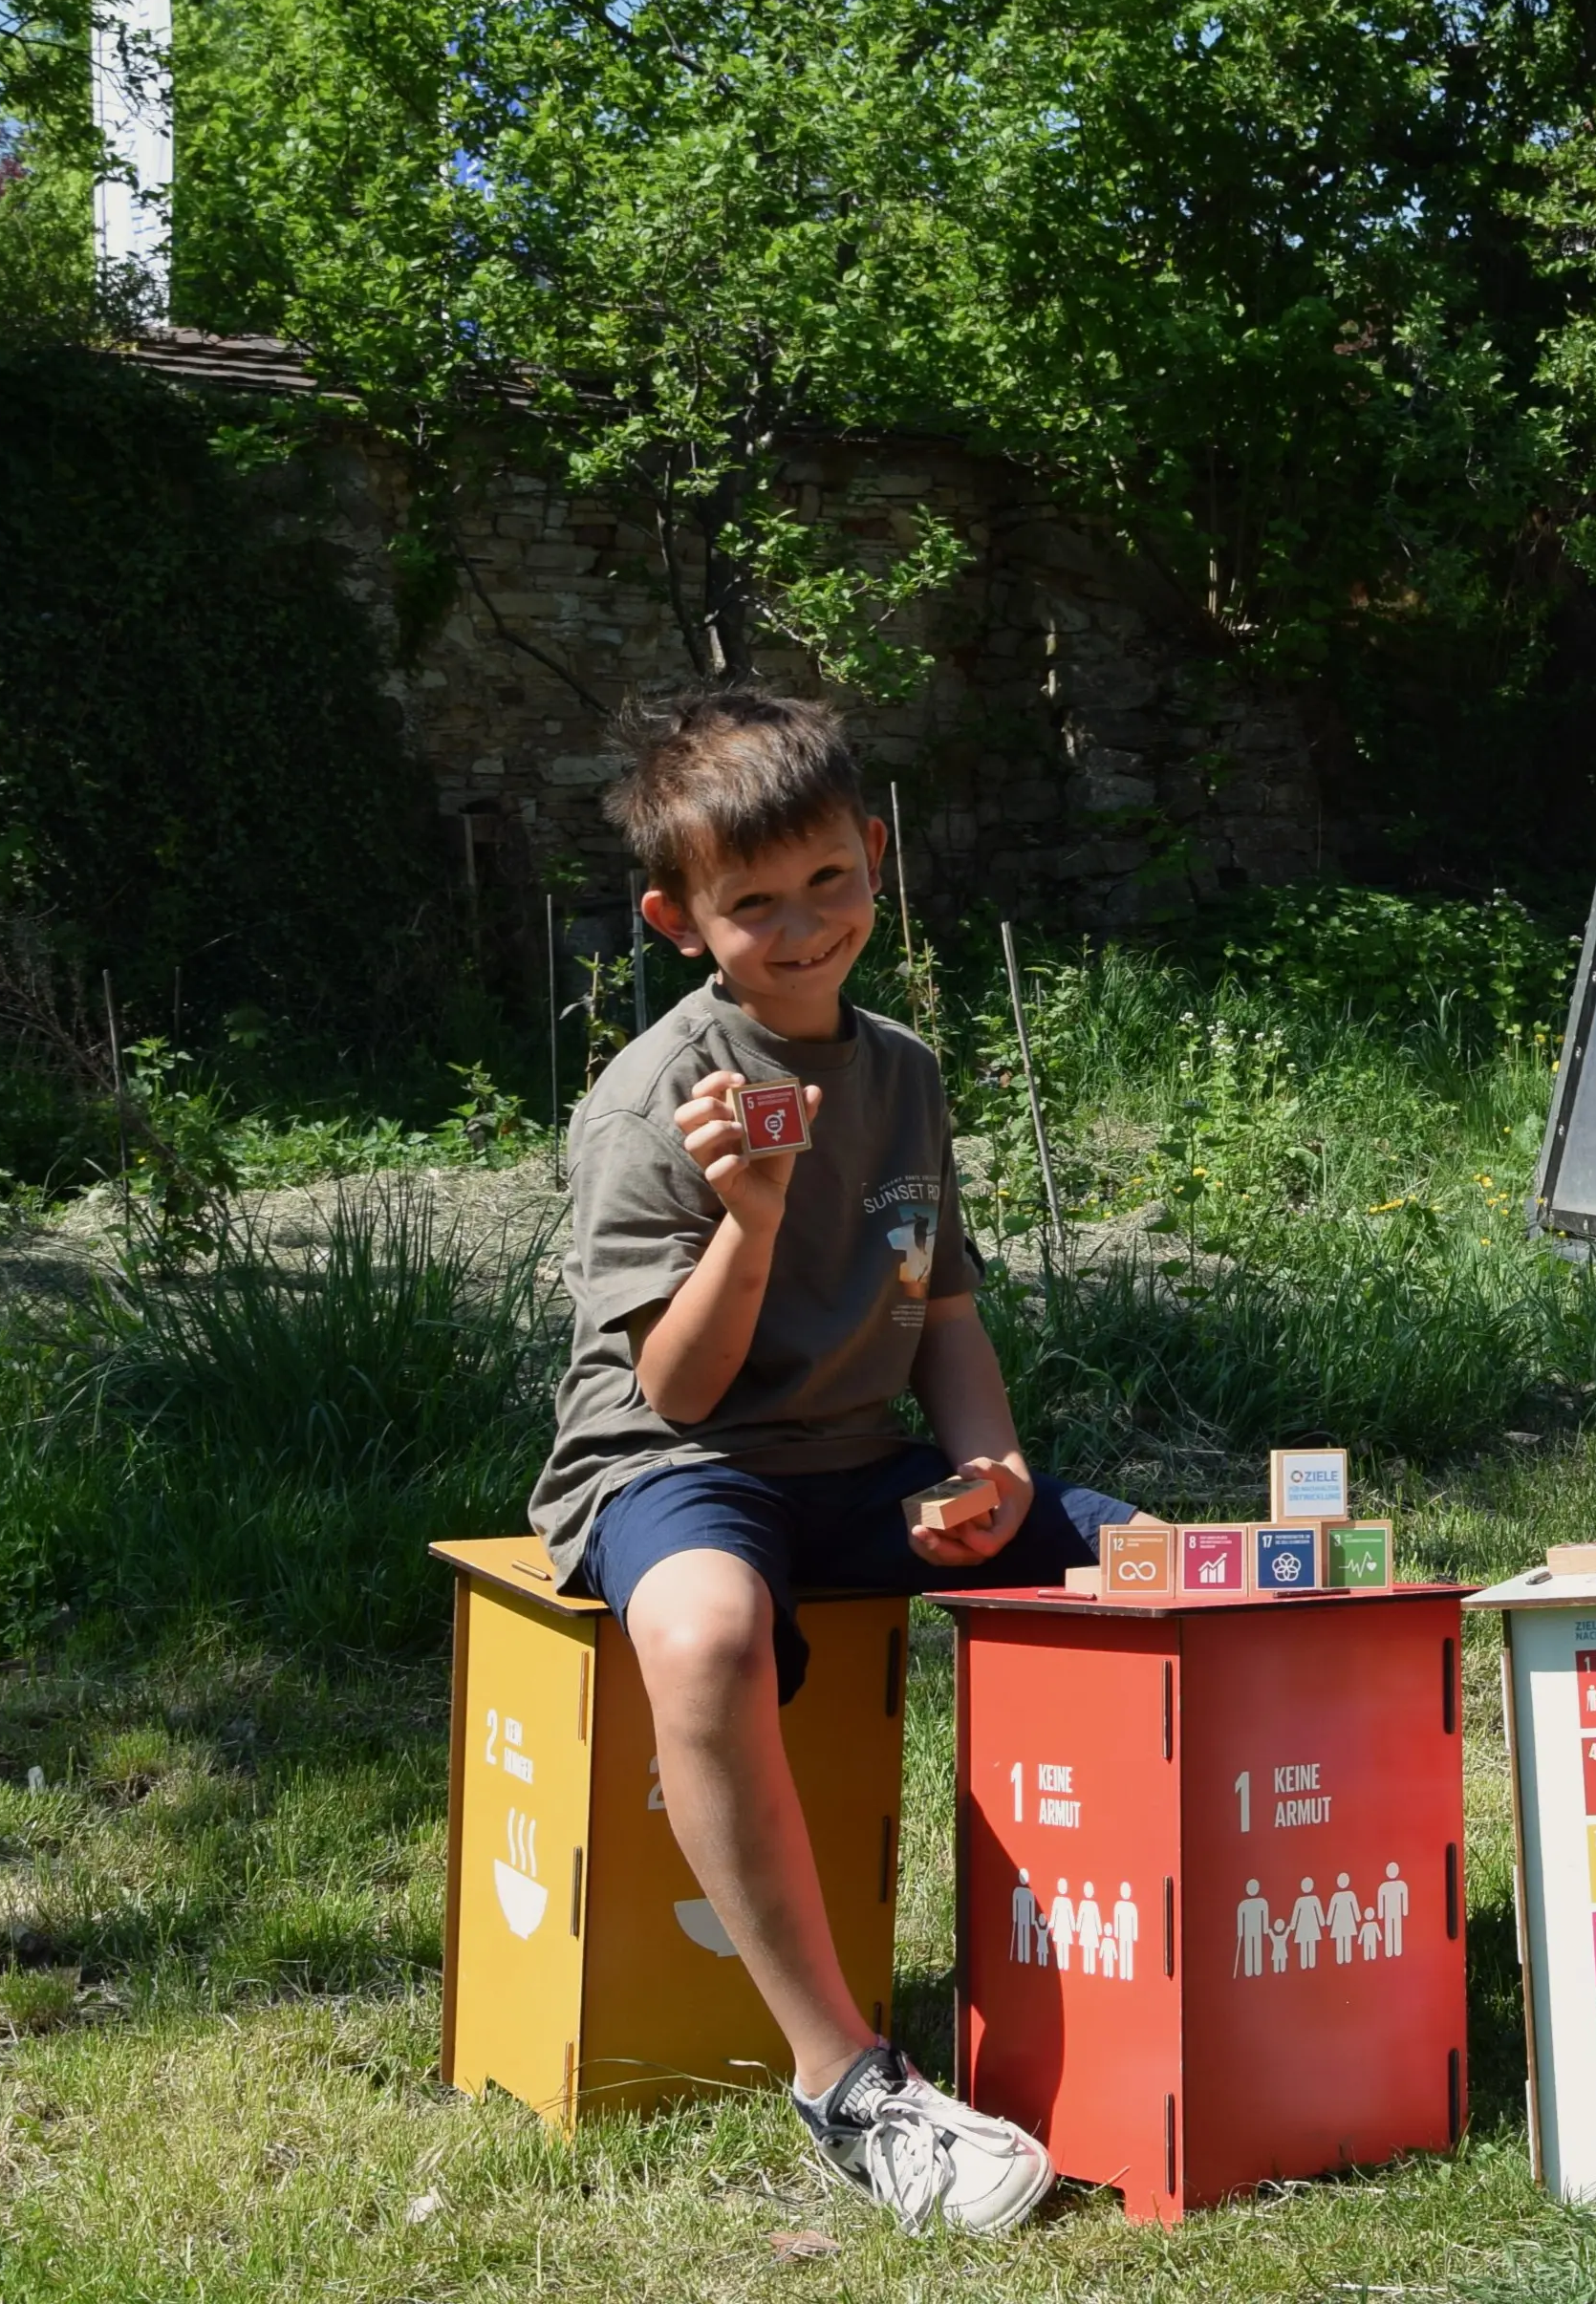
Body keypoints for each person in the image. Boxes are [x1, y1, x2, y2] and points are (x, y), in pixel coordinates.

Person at [533, 689, 1132, 2239]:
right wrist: (753, 1217)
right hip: (676, 1467)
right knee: (714, 1631)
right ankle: (845, 2079)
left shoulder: (906, 1072)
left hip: (861, 1461)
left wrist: (991, 1461)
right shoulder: (653, 1106)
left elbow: (941, 1306)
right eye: (752, 906)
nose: (802, 930)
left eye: (829, 885)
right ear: (679, 919)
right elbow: (672, 1389)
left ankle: (1163, 1992)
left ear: (875, 860)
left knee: (1150, 1560)